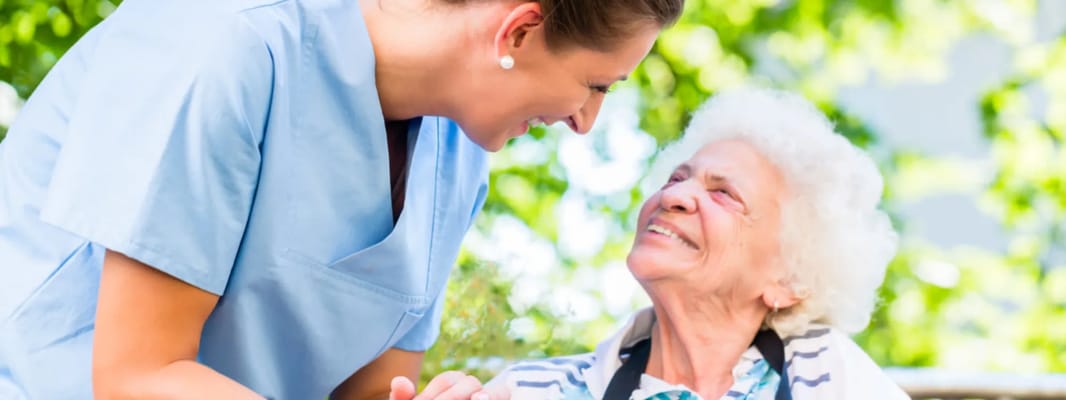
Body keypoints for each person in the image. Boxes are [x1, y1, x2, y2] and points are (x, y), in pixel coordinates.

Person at [0, 0, 684, 398]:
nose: (586, 121)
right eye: (596, 85)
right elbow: (137, 378)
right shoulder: (227, 37)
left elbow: (369, 389)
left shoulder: (458, 158)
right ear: (519, 30)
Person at [481, 89, 910, 399]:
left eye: (724, 194)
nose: (675, 196)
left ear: (788, 280)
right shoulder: (532, 392)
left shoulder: (828, 376)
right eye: (676, 178)